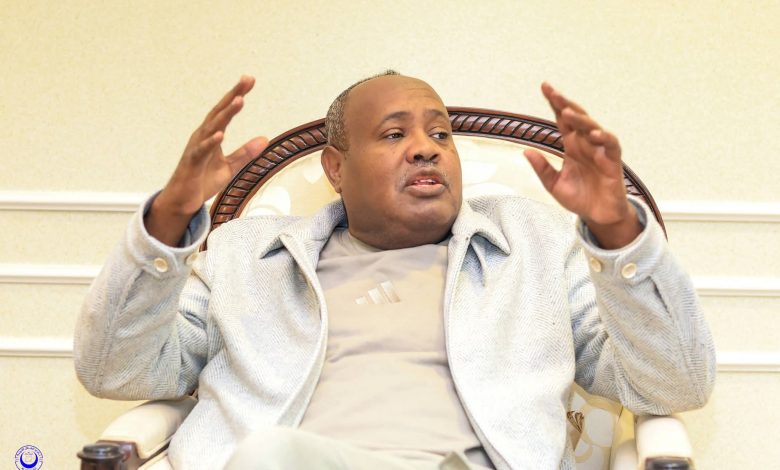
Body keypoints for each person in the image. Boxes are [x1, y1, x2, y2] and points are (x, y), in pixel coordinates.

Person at [74, 71, 715, 469]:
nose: (425, 148)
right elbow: (116, 370)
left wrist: (617, 234)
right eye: (392, 134)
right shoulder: (247, 257)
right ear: (335, 168)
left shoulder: (537, 245)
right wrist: (169, 221)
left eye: (441, 134)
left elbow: (674, 385)